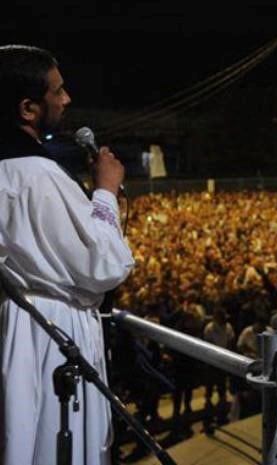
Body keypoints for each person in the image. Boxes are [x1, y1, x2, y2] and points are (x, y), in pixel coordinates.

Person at [0, 45, 134, 465]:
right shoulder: (35, 175)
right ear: (28, 108)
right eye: (57, 91)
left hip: (22, 326)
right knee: (53, 444)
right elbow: (103, 265)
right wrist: (106, 192)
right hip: (47, 336)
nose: (66, 99)